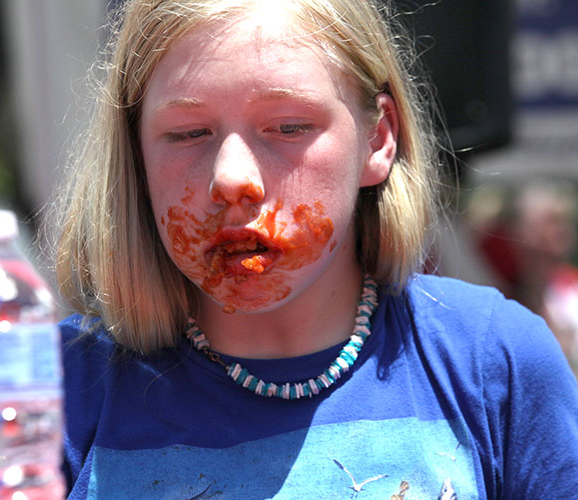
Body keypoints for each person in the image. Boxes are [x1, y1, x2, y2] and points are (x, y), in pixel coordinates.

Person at [52, 0, 578, 498]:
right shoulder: (55, 390)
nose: (232, 178)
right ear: (137, 158)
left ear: (378, 141)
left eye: (288, 127)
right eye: (189, 133)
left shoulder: (493, 363)